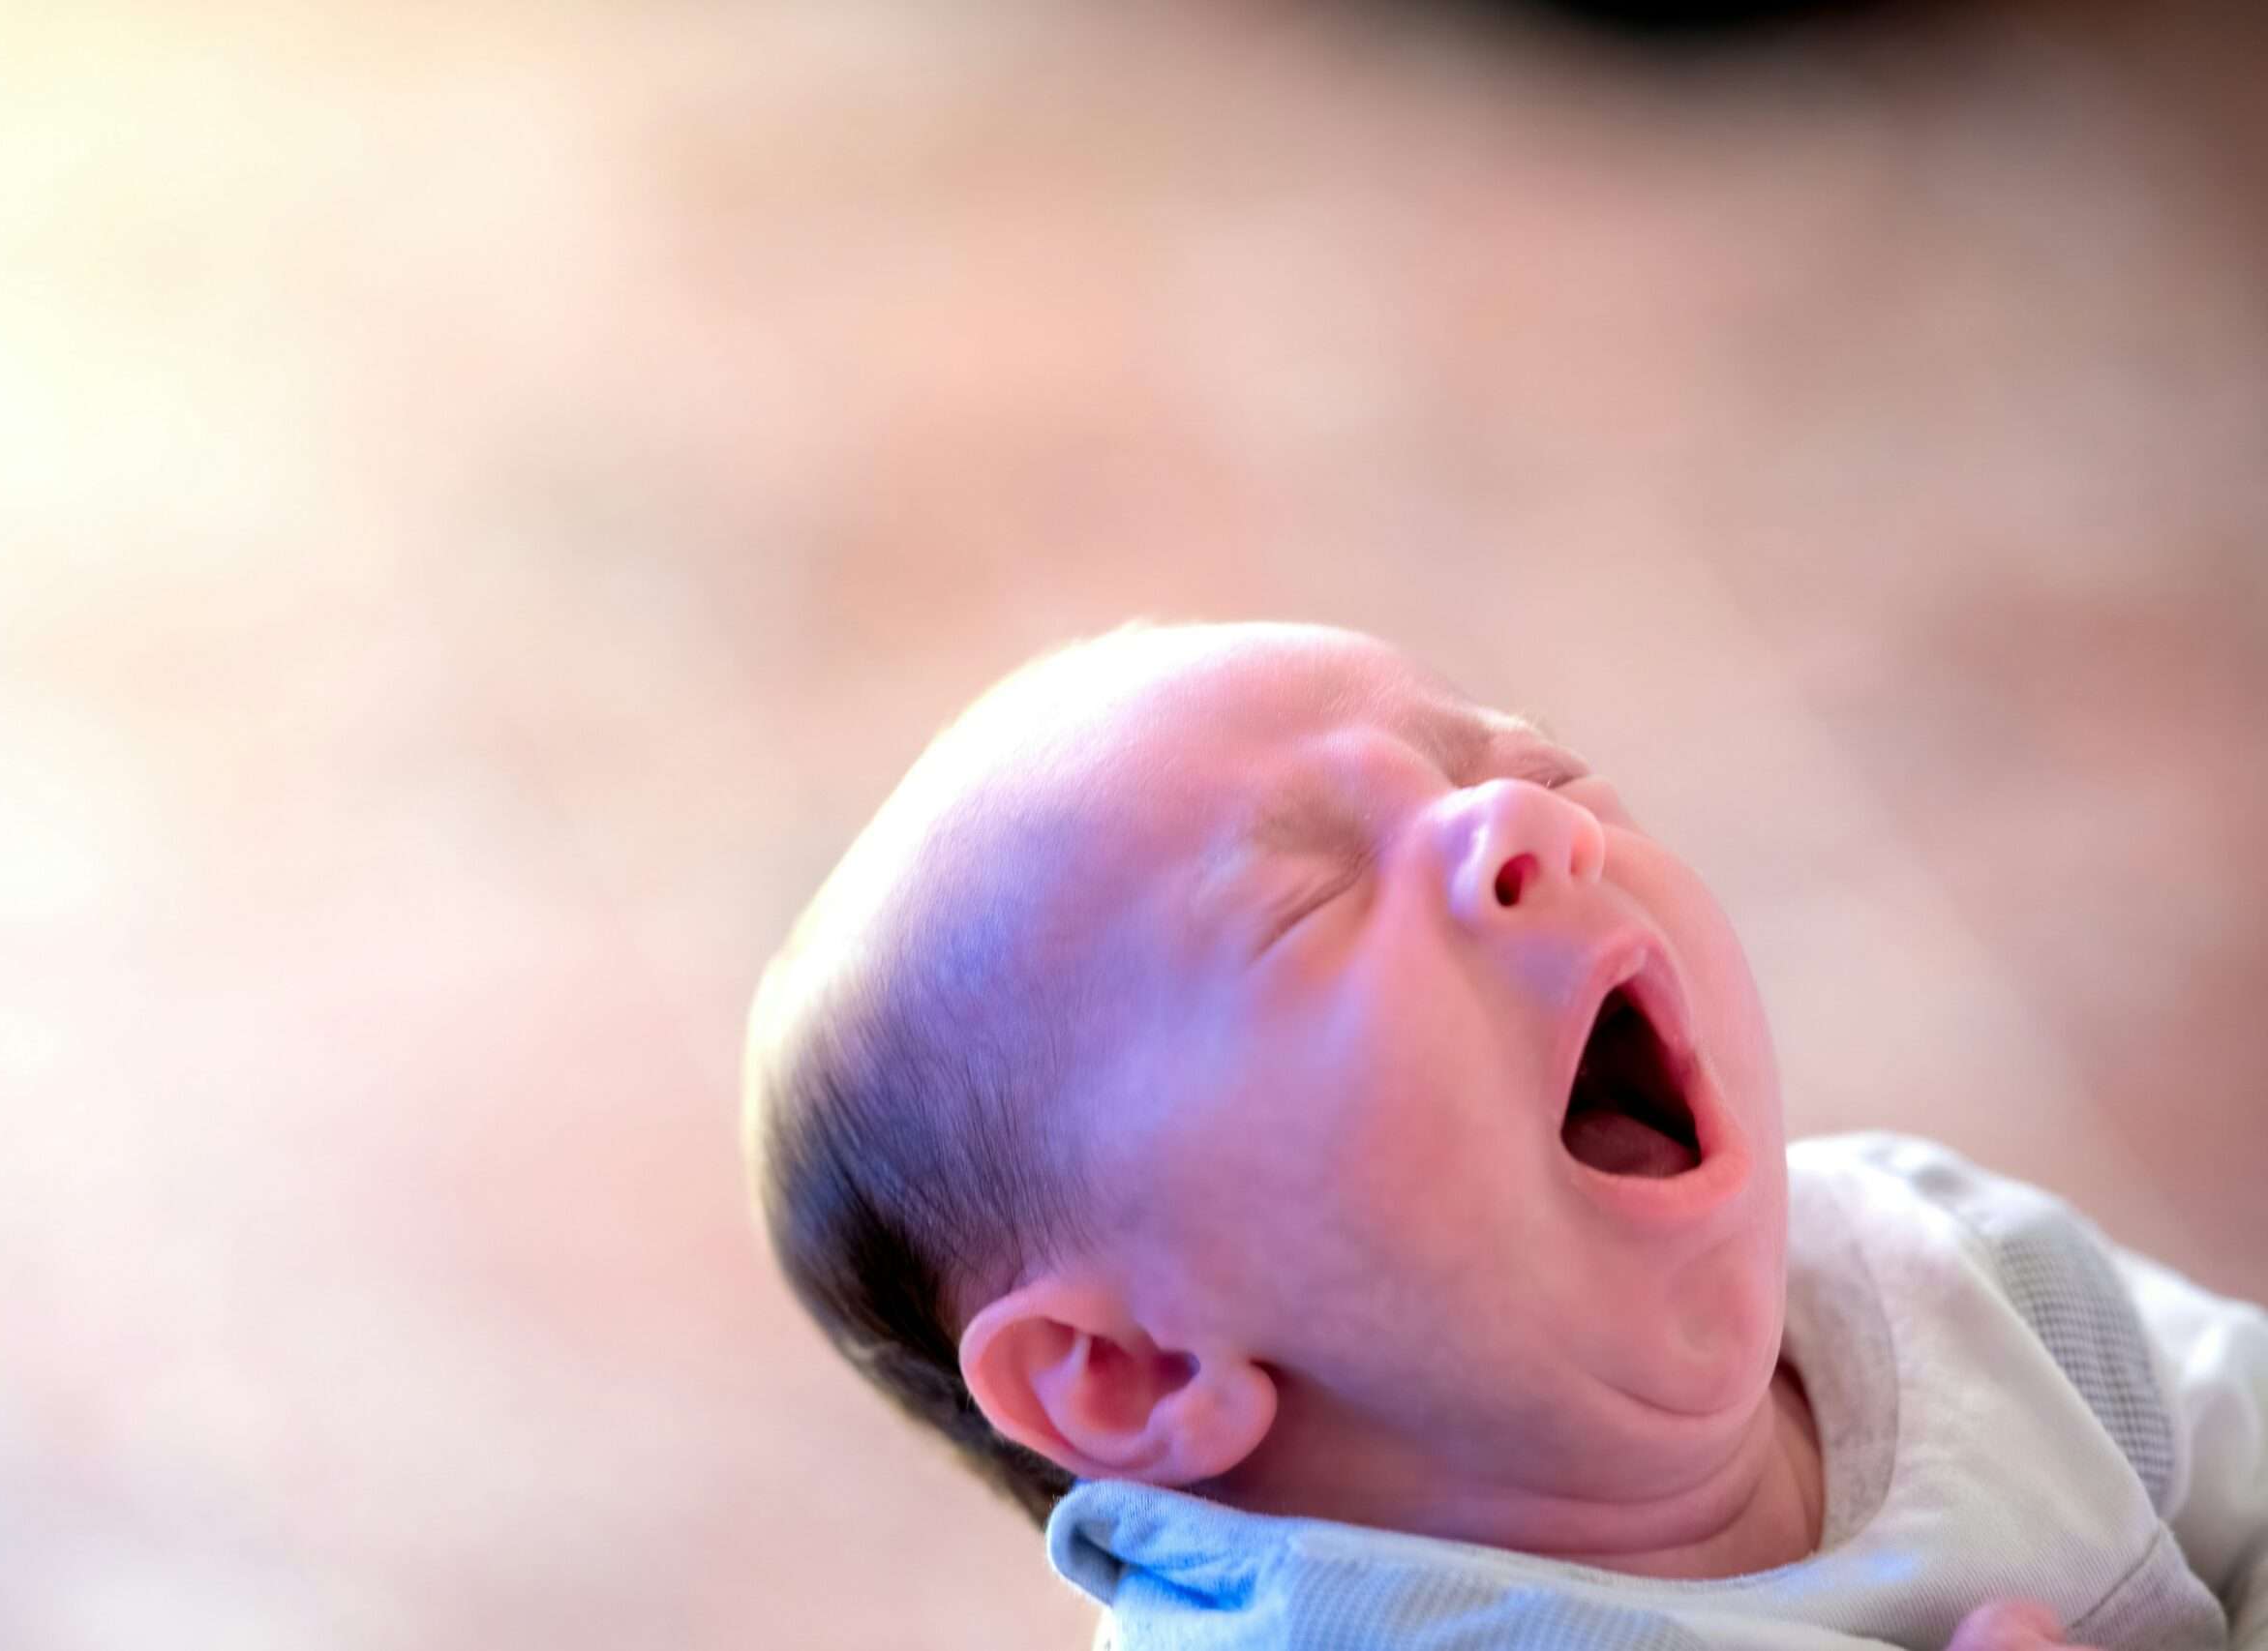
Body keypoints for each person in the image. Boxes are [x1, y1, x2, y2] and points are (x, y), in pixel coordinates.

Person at [741, 620, 2268, 1649]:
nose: (1524, 827)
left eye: (1520, 765)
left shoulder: (1949, 1271)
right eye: (1303, 906)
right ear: (1139, 1365)